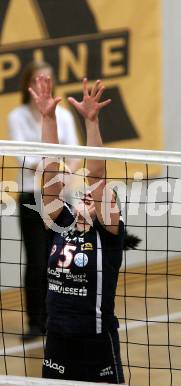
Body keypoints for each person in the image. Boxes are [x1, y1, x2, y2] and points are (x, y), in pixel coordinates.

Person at [29, 74, 130, 383]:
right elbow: (50, 170)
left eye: (99, 198)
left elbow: (98, 175)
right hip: (57, 337)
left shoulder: (108, 235)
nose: (89, 193)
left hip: (96, 340)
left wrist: (92, 122)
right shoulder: (59, 223)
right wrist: (48, 118)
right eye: (84, 192)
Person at [8, 61, 79, 340]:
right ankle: (35, 323)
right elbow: (25, 158)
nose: (43, 85)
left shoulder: (63, 115)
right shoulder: (18, 116)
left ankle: (58, 318)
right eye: (38, 80)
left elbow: (73, 152)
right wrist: (53, 169)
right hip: (31, 197)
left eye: (48, 80)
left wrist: (65, 174)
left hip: (61, 195)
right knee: (37, 261)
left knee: (61, 260)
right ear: (28, 84)